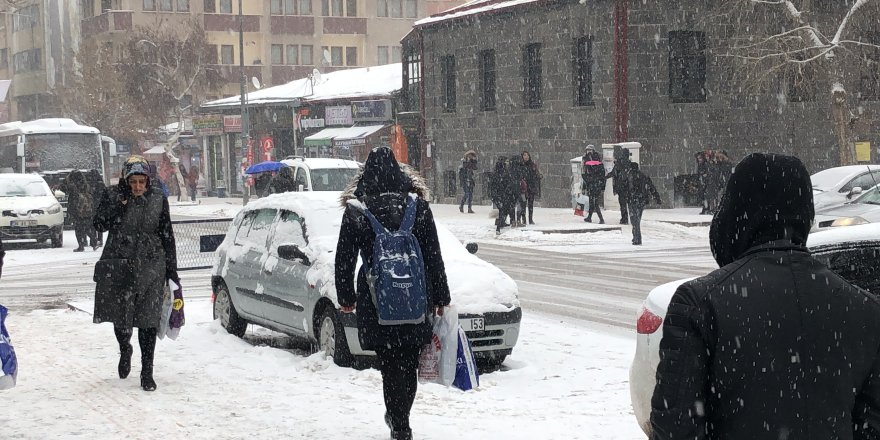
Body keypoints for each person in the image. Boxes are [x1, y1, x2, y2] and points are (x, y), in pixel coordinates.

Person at [650, 152, 880, 439]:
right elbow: (871, 426)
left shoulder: (701, 302)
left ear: (736, 213)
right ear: (805, 215)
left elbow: (675, 427)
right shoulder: (866, 309)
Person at [335, 147, 450, 440]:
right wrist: (440, 297)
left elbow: (344, 258)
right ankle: (402, 420)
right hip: (414, 297)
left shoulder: (357, 210)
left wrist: (346, 296)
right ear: (400, 175)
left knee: (389, 363)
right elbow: (433, 255)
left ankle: (396, 419)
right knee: (409, 362)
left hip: (377, 300)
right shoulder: (418, 207)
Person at [93, 155, 179, 392]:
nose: (138, 187)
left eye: (142, 182)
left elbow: (167, 234)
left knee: (148, 320)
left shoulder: (158, 199)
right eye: (133, 182)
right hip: (120, 265)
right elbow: (99, 224)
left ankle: (147, 372)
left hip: (152, 266)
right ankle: (124, 348)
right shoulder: (113, 196)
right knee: (121, 318)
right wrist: (118, 204)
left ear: (148, 181)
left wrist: (172, 272)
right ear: (126, 179)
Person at [60, 170, 97, 252]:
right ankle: (93, 241)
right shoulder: (85, 184)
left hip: (76, 209)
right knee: (85, 226)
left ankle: (81, 245)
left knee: (78, 228)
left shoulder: (72, 185)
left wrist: (67, 180)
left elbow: (63, 189)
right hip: (85, 208)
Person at [626, 163, 661, 246]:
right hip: (641, 200)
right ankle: (636, 237)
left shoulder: (630, 176)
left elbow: (626, 188)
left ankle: (637, 238)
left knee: (634, 220)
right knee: (637, 219)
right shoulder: (643, 176)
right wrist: (657, 197)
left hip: (633, 200)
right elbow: (652, 187)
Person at [606, 146, 632, 224]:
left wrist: (605, 176)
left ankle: (624, 219)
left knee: (622, 203)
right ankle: (630, 217)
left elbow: (614, 173)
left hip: (621, 186)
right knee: (629, 203)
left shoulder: (619, 162)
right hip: (628, 186)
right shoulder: (629, 163)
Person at [489, 157, 516, 234]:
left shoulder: (497, 173)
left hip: (499, 195)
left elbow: (493, 186)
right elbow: (506, 184)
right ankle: (499, 225)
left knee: (501, 210)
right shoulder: (504, 173)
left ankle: (500, 224)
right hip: (502, 194)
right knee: (502, 210)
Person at [581, 145, 606, 224]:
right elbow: (603, 175)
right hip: (597, 185)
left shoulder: (589, 164)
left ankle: (601, 219)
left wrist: (587, 182)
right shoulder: (599, 163)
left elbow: (584, 174)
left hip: (593, 185)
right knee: (592, 201)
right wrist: (602, 186)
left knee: (594, 202)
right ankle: (589, 217)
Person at [520, 150, 541, 225]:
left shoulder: (532, 165)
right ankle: (524, 219)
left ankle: (530, 219)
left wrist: (538, 176)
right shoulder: (520, 165)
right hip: (523, 188)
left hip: (531, 187)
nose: (526, 157)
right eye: (525, 155)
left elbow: (536, 174)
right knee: (523, 204)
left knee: (530, 204)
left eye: (527, 155)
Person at [86, 170, 107, 247]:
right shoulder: (101, 184)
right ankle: (99, 240)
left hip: (94, 206)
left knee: (93, 225)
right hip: (100, 207)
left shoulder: (93, 185)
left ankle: (94, 240)